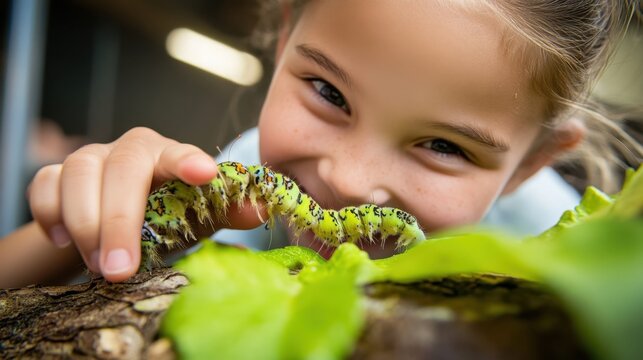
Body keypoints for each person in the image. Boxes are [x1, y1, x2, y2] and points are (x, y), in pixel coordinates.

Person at [0, 0, 640, 288]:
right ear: (282, 47)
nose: (352, 181)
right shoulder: (243, 178)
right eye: (329, 94)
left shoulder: (554, 252)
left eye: (445, 147)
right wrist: (84, 227)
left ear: (528, 166)